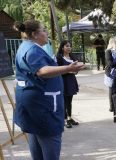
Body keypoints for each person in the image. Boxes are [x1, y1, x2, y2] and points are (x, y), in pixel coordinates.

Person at [14, 20, 84, 160]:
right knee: (49, 142)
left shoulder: (27, 46)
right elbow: (42, 71)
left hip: (33, 105)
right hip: (43, 107)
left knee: (36, 138)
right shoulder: (32, 50)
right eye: (44, 30)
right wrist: (68, 68)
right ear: (34, 34)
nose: (47, 33)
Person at [56, 40, 80, 128]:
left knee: (69, 101)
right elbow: (57, 71)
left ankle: (69, 118)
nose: (69, 48)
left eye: (70, 46)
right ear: (62, 47)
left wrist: (76, 71)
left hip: (71, 81)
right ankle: (65, 120)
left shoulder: (72, 57)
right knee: (64, 101)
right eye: (67, 46)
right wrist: (68, 71)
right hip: (63, 81)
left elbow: (75, 70)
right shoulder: (59, 57)